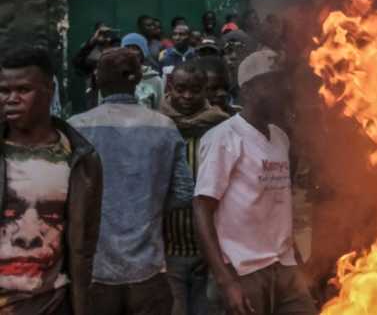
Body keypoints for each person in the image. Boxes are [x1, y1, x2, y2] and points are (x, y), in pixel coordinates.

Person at [69, 47, 193, 314]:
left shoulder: (76, 128)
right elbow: (184, 192)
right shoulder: (164, 127)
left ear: (98, 79)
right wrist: (150, 208)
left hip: (94, 273)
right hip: (149, 270)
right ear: (137, 78)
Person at [193, 50, 314, 315]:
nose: (281, 91)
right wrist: (227, 282)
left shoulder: (280, 138)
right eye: (270, 84)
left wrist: (294, 255)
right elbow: (201, 209)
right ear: (247, 91)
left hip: (284, 267)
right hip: (243, 271)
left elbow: (279, 203)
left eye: (282, 82)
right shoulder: (223, 138)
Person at [0, 47, 102, 315]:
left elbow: (85, 243)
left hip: (53, 303)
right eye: (4, 91)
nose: (11, 99)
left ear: (48, 89)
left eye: (23, 90)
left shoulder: (80, 158)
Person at [160, 61, 229, 315]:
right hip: (169, 252)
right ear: (170, 88)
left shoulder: (222, 128)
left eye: (195, 90)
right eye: (181, 89)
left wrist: (215, 253)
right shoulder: (157, 126)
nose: (187, 96)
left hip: (210, 253)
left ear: (205, 91)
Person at [121, 32, 164, 110]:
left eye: (135, 48)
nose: (130, 52)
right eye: (127, 48)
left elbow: (160, 109)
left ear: (143, 52)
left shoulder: (155, 80)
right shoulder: (114, 77)